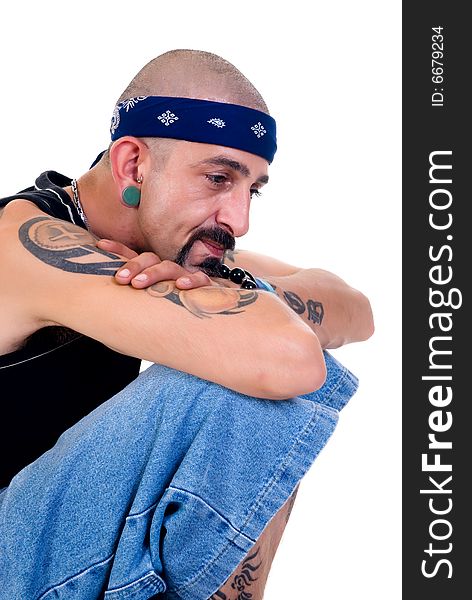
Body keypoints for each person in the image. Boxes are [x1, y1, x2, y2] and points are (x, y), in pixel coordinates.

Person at [0, 49, 373, 599]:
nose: (238, 219)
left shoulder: (174, 249)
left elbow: (356, 308)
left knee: (249, 356)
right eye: (219, 178)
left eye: (253, 189)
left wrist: (234, 293)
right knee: (243, 379)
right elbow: (288, 359)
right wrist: (243, 311)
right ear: (134, 166)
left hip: (52, 542)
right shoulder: (29, 245)